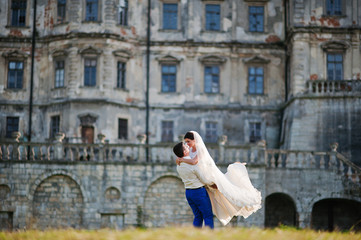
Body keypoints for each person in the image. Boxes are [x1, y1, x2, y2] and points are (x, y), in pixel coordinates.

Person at [176, 131, 262, 226]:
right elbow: (193, 166)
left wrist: (181, 159)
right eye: (186, 142)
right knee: (206, 215)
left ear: (195, 140)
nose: (187, 144)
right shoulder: (190, 153)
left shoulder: (199, 151)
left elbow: (194, 161)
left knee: (200, 215)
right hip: (200, 183)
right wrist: (182, 158)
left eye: (188, 141)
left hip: (208, 176)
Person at [173, 142, 215, 229]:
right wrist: (214, 184)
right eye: (186, 147)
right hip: (199, 192)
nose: (188, 146)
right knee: (208, 216)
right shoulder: (192, 164)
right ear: (184, 152)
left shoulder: (179, 165)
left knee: (198, 216)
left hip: (188, 192)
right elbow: (204, 179)